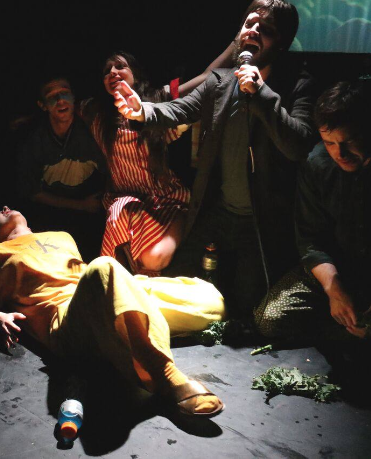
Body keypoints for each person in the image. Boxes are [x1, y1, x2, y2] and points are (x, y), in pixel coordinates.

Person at [114, 0, 317, 318]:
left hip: (260, 223)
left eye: (266, 29)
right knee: (176, 282)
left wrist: (261, 93)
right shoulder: (221, 81)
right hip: (219, 212)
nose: (253, 31)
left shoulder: (297, 85)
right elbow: (179, 109)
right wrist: (142, 111)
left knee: (246, 310)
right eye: (249, 23)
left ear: (282, 43)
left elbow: (298, 145)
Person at [0, 206, 226, 417]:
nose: (5, 207)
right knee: (103, 266)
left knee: (212, 303)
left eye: (7, 206)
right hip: (68, 319)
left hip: (102, 296)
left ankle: (127, 332)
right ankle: (166, 375)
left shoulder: (61, 236)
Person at [81, 47, 234, 276]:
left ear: (135, 74)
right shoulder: (99, 116)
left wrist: (236, 44)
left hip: (165, 200)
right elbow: (63, 106)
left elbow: (205, 79)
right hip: (124, 201)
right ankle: (116, 284)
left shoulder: (158, 101)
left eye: (120, 66)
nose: (112, 72)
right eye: (107, 71)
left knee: (153, 260)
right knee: (119, 214)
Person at [254, 81, 371, 341]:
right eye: (329, 142)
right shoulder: (317, 163)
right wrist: (333, 289)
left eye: (349, 141)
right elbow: (311, 239)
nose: (340, 153)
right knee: (269, 318)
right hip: (337, 271)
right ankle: (343, 326)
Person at [16, 77, 107, 262]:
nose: (60, 100)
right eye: (52, 96)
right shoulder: (35, 140)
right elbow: (33, 193)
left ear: (73, 97)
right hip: (51, 212)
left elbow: (109, 172)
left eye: (64, 93)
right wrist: (81, 205)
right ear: (43, 105)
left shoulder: (91, 130)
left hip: (90, 209)